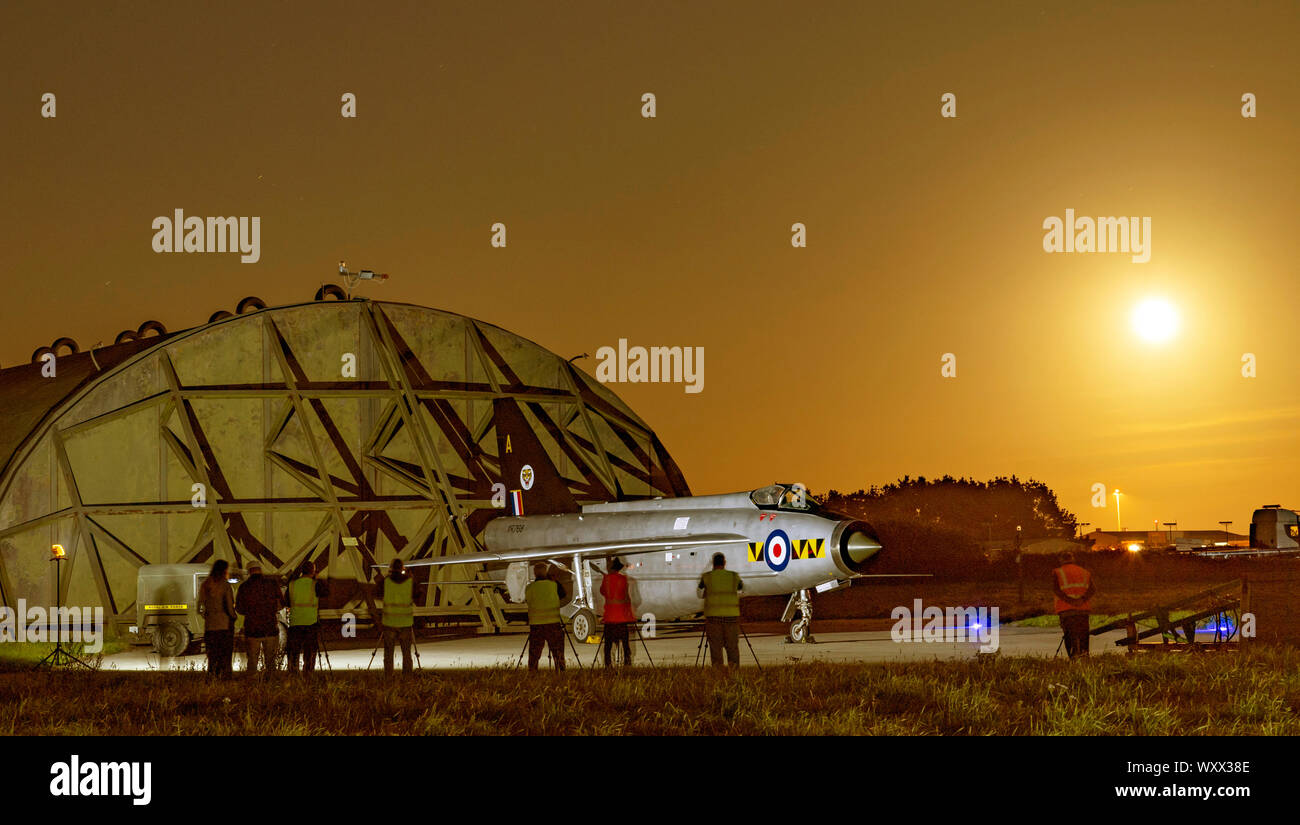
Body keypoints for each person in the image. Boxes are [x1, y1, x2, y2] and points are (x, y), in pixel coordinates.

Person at [697, 552, 743, 668]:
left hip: (713, 619)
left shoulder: (707, 577)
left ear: (713, 563)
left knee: (715, 649)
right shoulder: (733, 576)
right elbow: (741, 589)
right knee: (732, 648)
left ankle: (718, 675)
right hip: (731, 618)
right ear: (724, 563)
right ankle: (735, 674)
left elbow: (700, 591)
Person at [235, 562, 281, 676]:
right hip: (270, 628)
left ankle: (252, 687)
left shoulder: (244, 587)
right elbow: (281, 603)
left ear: (249, 572)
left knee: (252, 661)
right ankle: (271, 685)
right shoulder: (272, 584)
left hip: (252, 629)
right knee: (270, 661)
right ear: (260, 570)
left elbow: (239, 609)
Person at [284, 560, 328, 674]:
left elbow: (287, 602)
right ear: (313, 571)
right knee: (309, 652)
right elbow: (326, 593)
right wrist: (317, 579)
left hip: (295, 622)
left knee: (294, 652)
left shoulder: (292, 584)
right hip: (310, 622)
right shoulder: (315, 584)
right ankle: (308, 674)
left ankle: (293, 673)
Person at [198, 559, 237, 679]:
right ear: (224, 570)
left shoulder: (205, 584)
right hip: (224, 626)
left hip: (210, 627)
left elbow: (199, 607)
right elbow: (230, 607)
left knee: (213, 656)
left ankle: (212, 677)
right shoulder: (225, 585)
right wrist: (234, 617)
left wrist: (207, 615)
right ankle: (225, 678)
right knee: (225, 656)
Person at [1052, 550, 1095, 658]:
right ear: (1073, 559)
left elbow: (1056, 590)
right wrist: (1082, 600)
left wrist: (1070, 601)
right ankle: (1085, 656)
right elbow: (1092, 590)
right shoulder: (1085, 572)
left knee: (1070, 635)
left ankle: (1073, 657)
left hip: (1066, 610)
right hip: (1083, 609)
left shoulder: (1058, 572)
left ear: (1061, 559)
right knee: (1083, 635)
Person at [525, 563, 567, 671]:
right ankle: (561, 671)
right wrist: (554, 580)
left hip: (536, 624)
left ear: (534, 573)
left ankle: (533, 672)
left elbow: (527, 600)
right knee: (557, 651)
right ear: (546, 572)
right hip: (553, 623)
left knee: (534, 652)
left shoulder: (530, 588)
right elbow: (563, 594)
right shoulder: (553, 585)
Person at [380, 559, 415, 676]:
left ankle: (388, 678)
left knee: (388, 654)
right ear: (402, 568)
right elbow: (418, 594)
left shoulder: (385, 582)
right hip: (405, 622)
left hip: (389, 623)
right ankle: (407, 678)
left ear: (391, 568)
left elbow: (377, 592)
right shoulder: (410, 582)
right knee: (406, 653)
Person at [599, 557, 637, 667]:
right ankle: (627, 661)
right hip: (621, 617)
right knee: (625, 643)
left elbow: (602, 591)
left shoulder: (606, 579)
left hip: (610, 617)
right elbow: (626, 597)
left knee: (608, 644)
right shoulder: (623, 579)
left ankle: (608, 664)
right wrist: (630, 614)